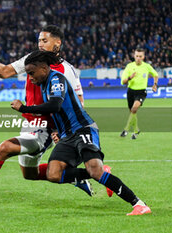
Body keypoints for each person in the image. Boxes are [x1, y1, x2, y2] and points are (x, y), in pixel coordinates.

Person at [0, 25, 94, 202]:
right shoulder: (30, 59)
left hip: (46, 128)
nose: (40, 43)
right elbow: (4, 72)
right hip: (29, 123)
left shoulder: (67, 70)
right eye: (39, 40)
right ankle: (78, 176)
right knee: (29, 174)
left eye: (44, 40)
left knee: (5, 148)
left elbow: (79, 102)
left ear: (58, 43)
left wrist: (61, 130)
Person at [11, 50, 151, 215]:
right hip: (67, 136)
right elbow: (55, 112)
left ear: (43, 68)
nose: (30, 77)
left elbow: (55, 105)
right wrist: (56, 129)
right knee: (53, 173)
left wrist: (24, 108)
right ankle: (101, 173)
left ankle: (139, 204)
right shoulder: (43, 85)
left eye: (31, 73)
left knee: (94, 170)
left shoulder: (56, 79)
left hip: (83, 128)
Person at [120, 48, 158, 139]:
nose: (138, 58)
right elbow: (123, 82)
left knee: (134, 109)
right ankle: (136, 130)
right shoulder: (129, 66)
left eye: (140, 56)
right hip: (131, 91)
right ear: (134, 56)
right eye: (136, 56)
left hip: (141, 92)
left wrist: (155, 84)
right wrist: (130, 78)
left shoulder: (147, 66)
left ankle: (126, 130)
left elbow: (155, 75)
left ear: (143, 57)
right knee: (133, 112)